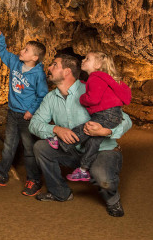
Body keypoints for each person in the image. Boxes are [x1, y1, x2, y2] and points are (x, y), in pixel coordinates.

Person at [29, 53, 132, 217]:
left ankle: (112, 200)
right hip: (73, 151)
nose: (48, 68)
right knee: (41, 147)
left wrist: (106, 131)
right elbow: (34, 124)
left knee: (103, 178)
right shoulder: (50, 98)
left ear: (67, 71)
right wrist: (56, 129)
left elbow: (126, 119)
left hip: (102, 150)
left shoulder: (92, 88)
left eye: (54, 65)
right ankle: (60, 193)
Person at [0, 26, 49, 197]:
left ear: (34, 57)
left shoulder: (38, 75)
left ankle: (34, 180)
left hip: (26, 116)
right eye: (23, 48)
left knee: (29, 149)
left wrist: (31, 111)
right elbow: (3, 52)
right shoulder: (15, 62)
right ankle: (2, 174)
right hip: (12, 112)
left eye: (26, 50)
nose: (22, 50)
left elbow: (42, 95)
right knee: (9, 146)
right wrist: (0, 37)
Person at [49, 51, 132, 182]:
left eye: (87, 59)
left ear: (98, 65)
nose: (83, 60)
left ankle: (60, 142)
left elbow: (93, 99)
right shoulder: (103, 79)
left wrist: (82, 98)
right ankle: (83, 169)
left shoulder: (95, 77)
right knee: (93, 141)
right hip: (114, 115)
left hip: (105, 114)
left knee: (85, 128)